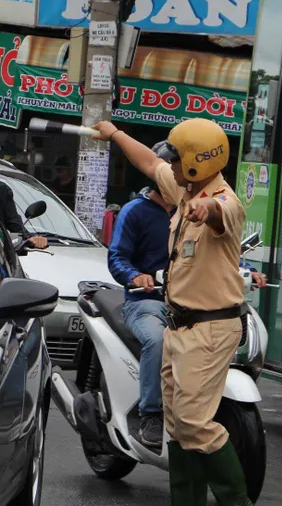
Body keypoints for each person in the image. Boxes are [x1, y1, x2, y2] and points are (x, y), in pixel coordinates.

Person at [92, 117, 254, 506]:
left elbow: (220, 211)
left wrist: (206, 208)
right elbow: (150, 163)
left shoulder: (224, 202)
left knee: (196, 424)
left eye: (178, 160)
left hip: (210, 329)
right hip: (178, 326)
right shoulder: (184, 189)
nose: (172, 166)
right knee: (179, 427)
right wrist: (114, 134)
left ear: (197, 164)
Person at [106, 142, 178, 449]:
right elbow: (116, 256)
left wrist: (246, 268)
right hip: (145, 303)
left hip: (188, 303)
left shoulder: (190, 211)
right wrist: (135, 275)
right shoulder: (134, 211)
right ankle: (150, 413)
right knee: (158, 340)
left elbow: (220, 249)